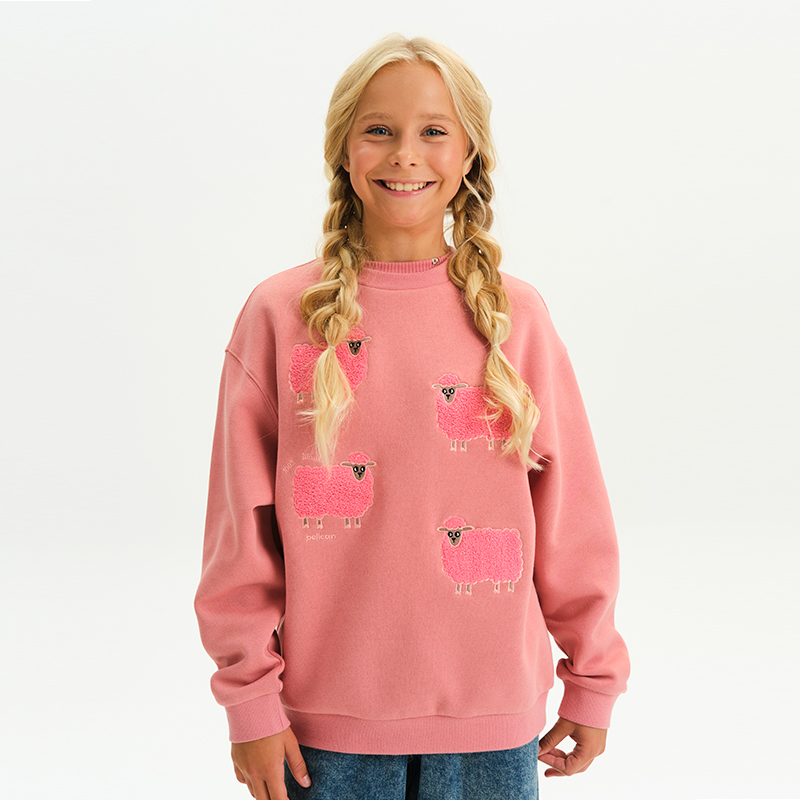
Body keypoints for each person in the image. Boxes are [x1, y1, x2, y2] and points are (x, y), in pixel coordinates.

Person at [194, 33, 630, 800]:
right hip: (326, 732)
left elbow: (573, 518)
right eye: (379, 129)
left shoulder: (516, 321)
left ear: (469, 155)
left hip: (493, 726)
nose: (405, 155)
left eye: (433, 131)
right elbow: (240, 535)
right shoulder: (279, 317)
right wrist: (249, 699)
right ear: (344, 150)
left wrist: (592, 678)